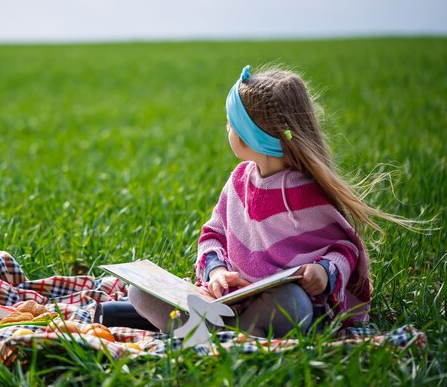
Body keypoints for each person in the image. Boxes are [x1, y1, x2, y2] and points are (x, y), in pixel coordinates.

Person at [129, 65, 415, 337]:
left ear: (252, 137)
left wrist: (323, 273)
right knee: (140, 291)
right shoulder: (239, 180)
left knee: (292, 302)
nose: (226, 128)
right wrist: (216, 272)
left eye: (231, 124)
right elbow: (213, 234)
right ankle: (227, 330)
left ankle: (209, 331)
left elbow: (345, 249)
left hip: (284, 309)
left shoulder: (306, 194)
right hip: (230, 303)